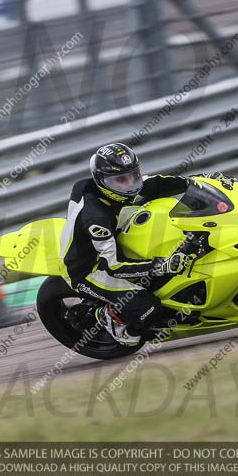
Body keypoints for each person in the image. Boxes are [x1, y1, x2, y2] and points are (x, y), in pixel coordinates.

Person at [59, 142, 194, 346]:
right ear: (102, 181)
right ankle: (111, 320)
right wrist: (160, 265)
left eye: (133, 175)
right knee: (149, 309)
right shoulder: (97, 219)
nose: (130, 183)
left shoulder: (103, 187)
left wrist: (199, 183)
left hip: (108, 241)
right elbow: (113, 267)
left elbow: (157, 183)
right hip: (89, 270)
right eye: (121, 180)